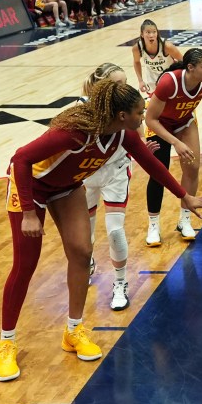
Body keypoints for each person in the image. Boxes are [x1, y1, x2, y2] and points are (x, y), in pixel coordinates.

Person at [0, 79, 202, 382]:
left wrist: (184, 196)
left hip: (66, 188)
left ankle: (73, 331)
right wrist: (29, 214)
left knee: (82, 254)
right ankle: (6, 343)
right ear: (122, 114)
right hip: (30, 187)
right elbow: (20, 158)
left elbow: (151, 164)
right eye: (139, 112)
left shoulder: (122, 134)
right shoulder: (74, 132)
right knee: (26, 265)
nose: (144, 117)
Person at [79, 63, 156, 311]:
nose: (126, 88)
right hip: (87, 171)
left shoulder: (130, 106)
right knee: (85, 233)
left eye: (126, 83)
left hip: (116, 172)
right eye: (119, 84)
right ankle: (87, 260)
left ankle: (120, 282)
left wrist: (145, 148)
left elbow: (140, 135)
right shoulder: (83, 107)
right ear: (105, 86)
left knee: (115, 231)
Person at [144, 48, 202, 247]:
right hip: (159, 123)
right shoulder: (169, 82)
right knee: (159, 172)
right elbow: (150, 119)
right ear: (190, 68)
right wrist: (175, 142)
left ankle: (184, 220)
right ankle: (153, 225)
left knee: (192, 167)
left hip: (184, 121)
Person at [131, 19, 183, 95]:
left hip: (170, 78)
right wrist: (140, 81)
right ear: (142, 34)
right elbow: (136, 62)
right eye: (148, 32)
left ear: (157, 33)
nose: (151, 35)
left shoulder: (167, 46)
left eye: (154, 32)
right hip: (152, 81)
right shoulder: (137, 48)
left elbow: (183, 60)